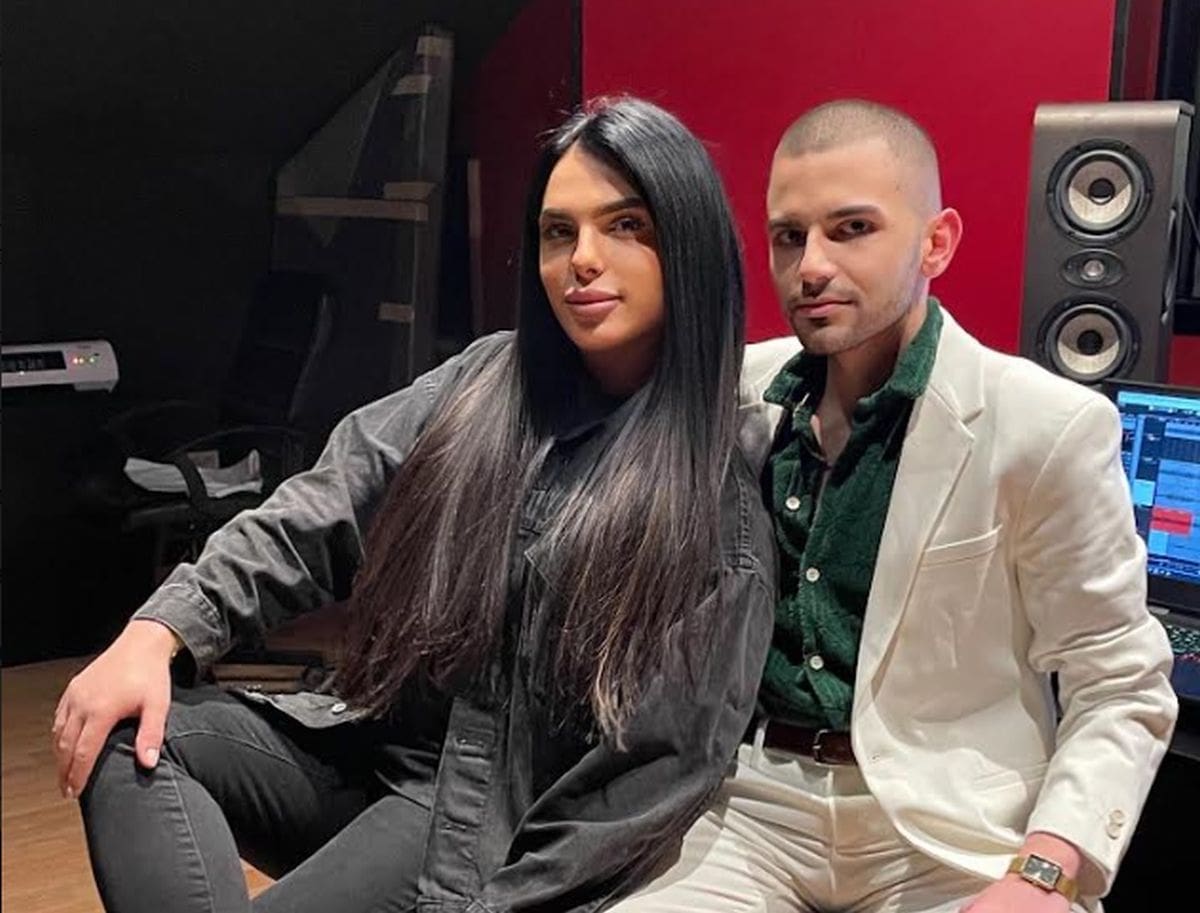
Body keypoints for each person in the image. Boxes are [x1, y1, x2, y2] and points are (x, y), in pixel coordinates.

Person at [53, 97, 785, 913]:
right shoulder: (486, 380)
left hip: (480, 835)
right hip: (362, 747)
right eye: (558, 231)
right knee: (121, 727)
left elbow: (640, 790)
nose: (582, 259)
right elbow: (323, 505)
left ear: (686, 243)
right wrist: (157, 632)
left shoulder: (714, 507)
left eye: (625, 225)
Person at [609, 99, 1178, 913]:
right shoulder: (734, 394)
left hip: (948, 832)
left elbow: (1119, 679)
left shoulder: (1046, 425)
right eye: (788, 236)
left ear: (935, 242)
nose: (811, 265)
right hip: (753, 808)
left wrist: (1045, 871)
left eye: (852, 229)